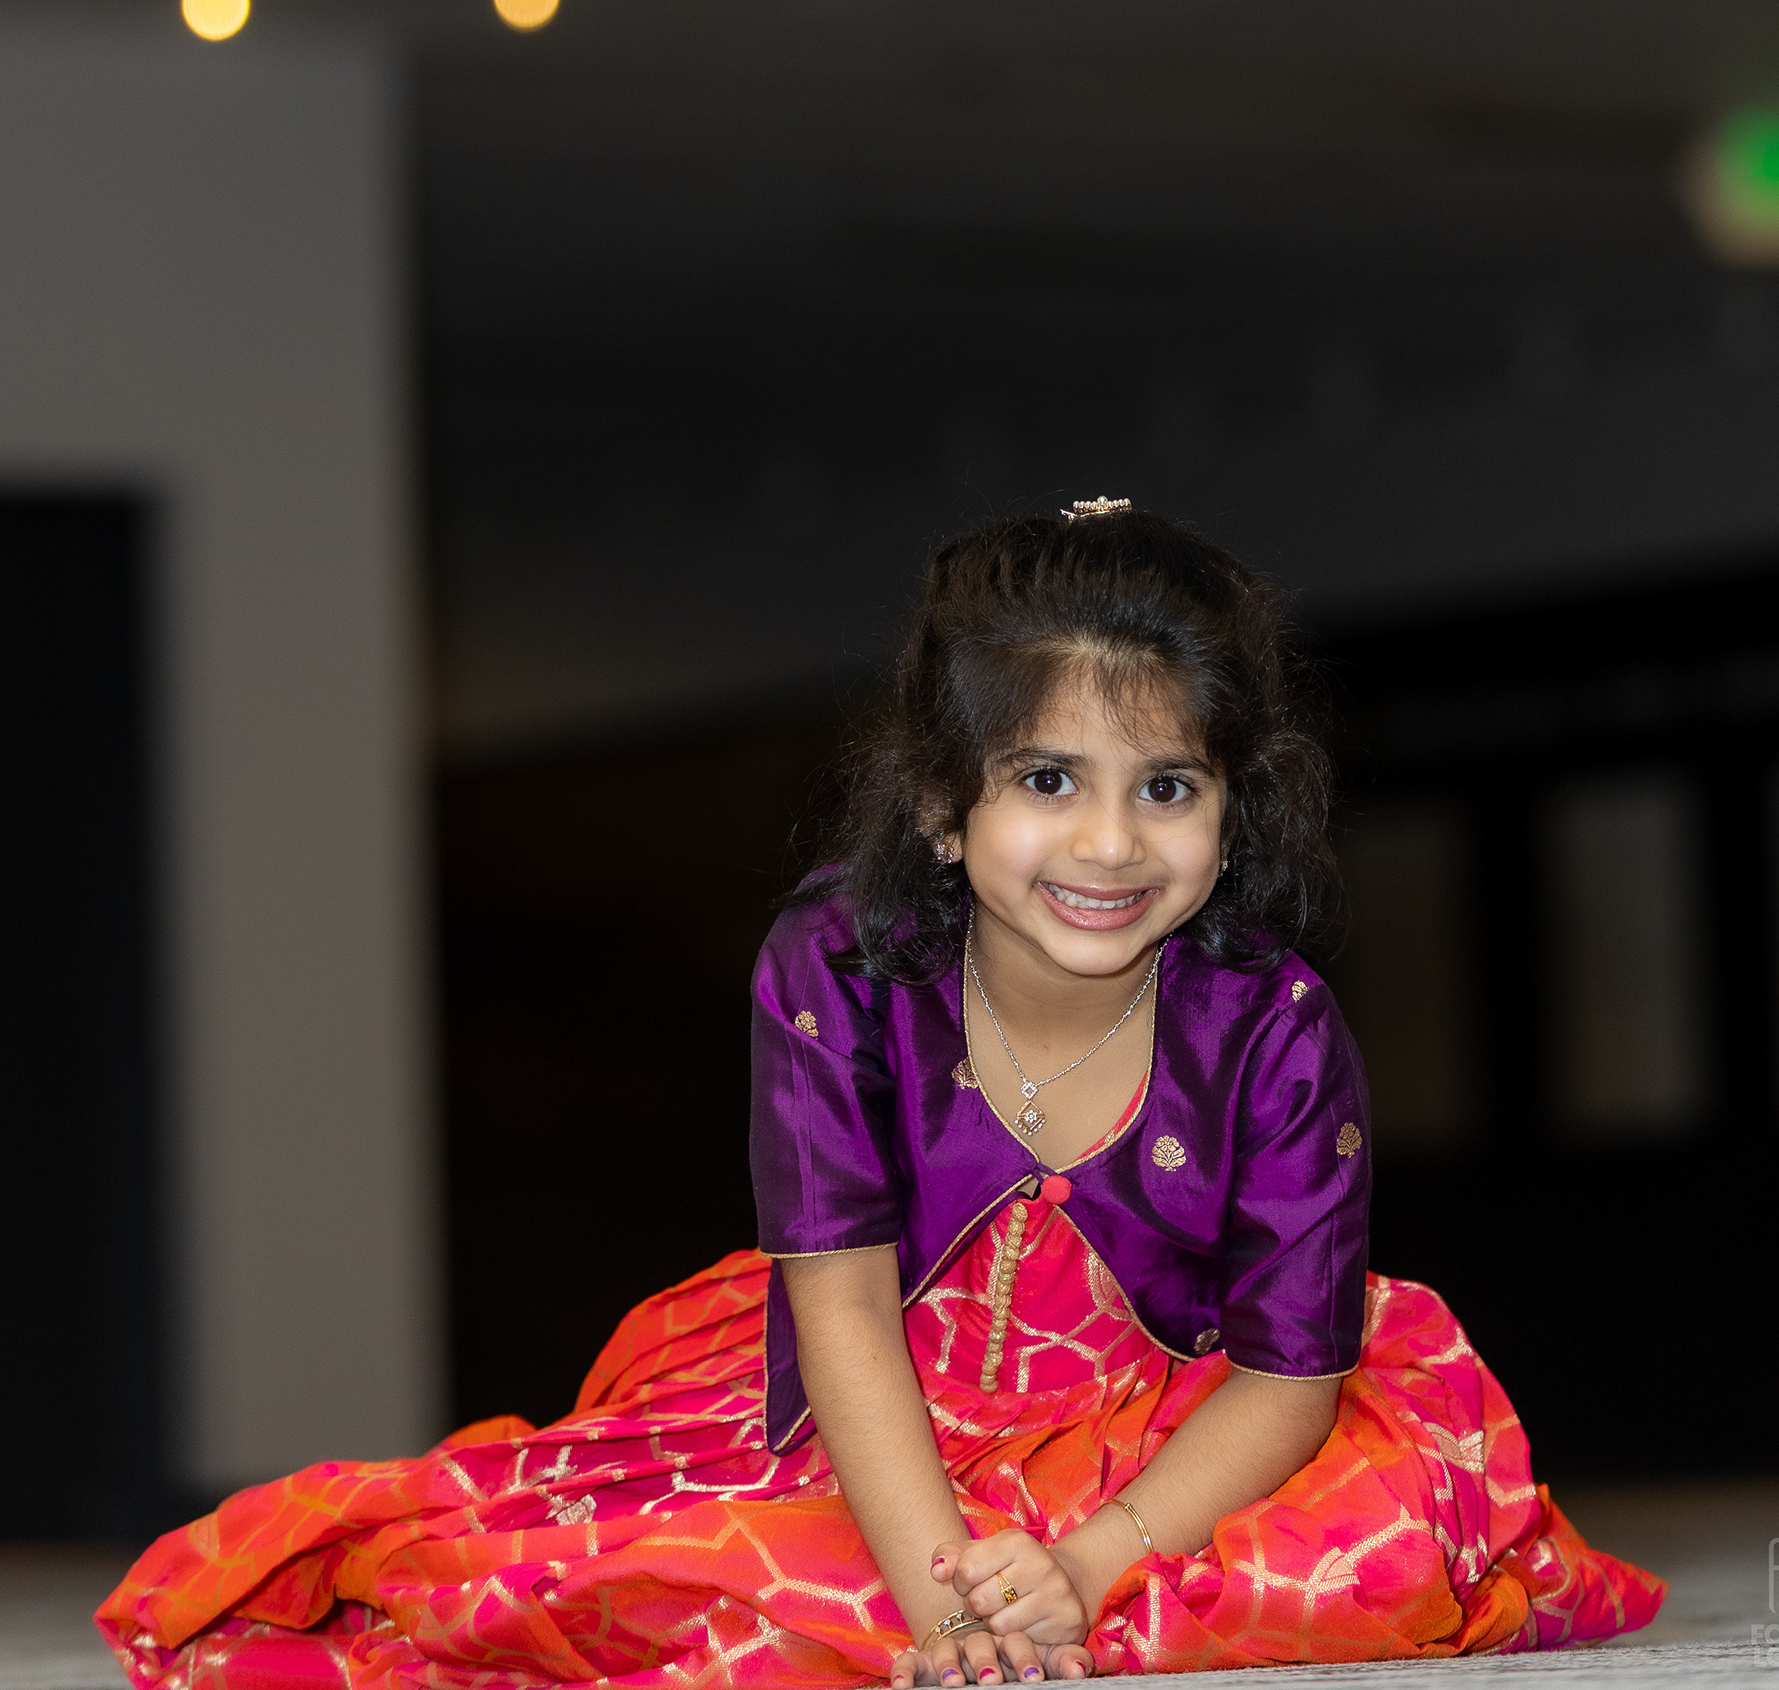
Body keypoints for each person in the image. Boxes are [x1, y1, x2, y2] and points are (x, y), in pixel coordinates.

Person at [100, 504, 1661, 1690]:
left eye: (1167, 787)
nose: (1110, 845)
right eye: (1047, 779)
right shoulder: (837, 966)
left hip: (1172, 1433)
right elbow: (841, 1306)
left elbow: (1285, 1376)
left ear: (1233, 813)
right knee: (675, 1589)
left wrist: (1087, 1568)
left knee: (1373, 1550)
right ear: (938, 799)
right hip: (874, 1412)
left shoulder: (1279, 1028)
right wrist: (945, 1604)